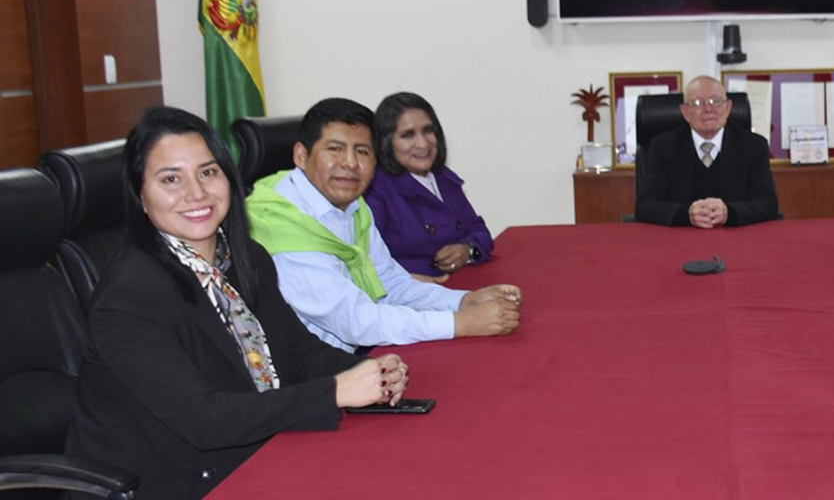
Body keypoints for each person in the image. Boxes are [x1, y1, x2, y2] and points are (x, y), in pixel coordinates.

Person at [66, 107, 409, 500]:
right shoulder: (129, 296)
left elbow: (297, 353)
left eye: (208, 172)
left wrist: (368, 370)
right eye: (171, 179)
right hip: (174, 482)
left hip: (258, 452)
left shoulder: (246, 257)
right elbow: (203, 420)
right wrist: (335, 391)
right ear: (140, 195)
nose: (196, 193)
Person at [245, 98, 519, 353]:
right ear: (301, 156)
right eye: (335, 149)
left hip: (361, 354)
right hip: (310, 379)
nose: (350, 163)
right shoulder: (283, 225)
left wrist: (462, 302)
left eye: (362, 151)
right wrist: (460, 323)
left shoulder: (353, 207)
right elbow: (354, 321)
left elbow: (390, 283)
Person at [364, 92, 493, 283]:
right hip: (412, 298)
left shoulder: (444, 179)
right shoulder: (377, 189)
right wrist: (408, 280)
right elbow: (367, 261)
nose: (423, 143)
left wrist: (467, 251)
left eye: (427, 131)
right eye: (407, 135)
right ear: (387, 142)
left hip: (465, 284)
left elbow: (479, 230)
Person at [635, 76, 778, 228]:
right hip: (680, 240)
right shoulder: (663, 147)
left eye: (715, 101)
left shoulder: (753, 146)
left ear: (728, 108)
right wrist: (686, 214)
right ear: (685, 112)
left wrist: (730, 212)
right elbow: (645, 206)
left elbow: (768, 203)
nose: (708, 109)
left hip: (736, 240)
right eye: (697, 103)